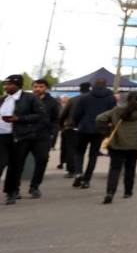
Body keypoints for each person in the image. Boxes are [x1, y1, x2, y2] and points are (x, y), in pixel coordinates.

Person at [95, 92, 137, 204]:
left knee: (115, 168)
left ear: (126, 99)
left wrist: (107, 130)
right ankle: (128, 191)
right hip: (134, 145)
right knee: (130, 167)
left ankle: (110, 192)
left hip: (116, 144)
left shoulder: (116, 110)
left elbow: (99, 118)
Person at [1, 75, 47, 205]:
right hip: (2, 136)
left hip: (18, 136)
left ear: (18, 85)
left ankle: (11, 192)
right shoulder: (4, 99)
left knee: (14, 166)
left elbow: (40, 115)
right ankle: (12, 191)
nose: (6, 87)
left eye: (9, 84)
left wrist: (19, 119)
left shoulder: (30, 98)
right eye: (5, 84)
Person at [70, 78, 117, 189]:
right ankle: (87, 180)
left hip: (84, 128)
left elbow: (76, 114)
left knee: (79, 152)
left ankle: (78, 173)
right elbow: (113, 114)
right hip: (100, 130)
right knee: (93, 155)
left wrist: (76, 124)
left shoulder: (85, 97)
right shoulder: (111, 98)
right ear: (106, 85)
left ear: (93, 85)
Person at [26, 78, 60, 199]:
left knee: (42, 160)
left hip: (43, 136)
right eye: (35, 86)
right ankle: (14, 189)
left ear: (46, 88)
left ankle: (34, 186)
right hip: (25, 134)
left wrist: (52, 133)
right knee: (17, 162)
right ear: (32, 87)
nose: (38, 89)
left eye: (41, 87)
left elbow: (56, 119)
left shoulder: (52, 102)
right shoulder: (26, 99)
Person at [58, 81, 90, 176]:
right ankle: (81, 170)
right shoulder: (93, 100)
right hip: (87, 128)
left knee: (71, 149)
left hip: (72, 127)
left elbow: (64, 114)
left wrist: (61, 125)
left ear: (80, 89)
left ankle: (71, 170)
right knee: (82, 150)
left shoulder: (73, 100)